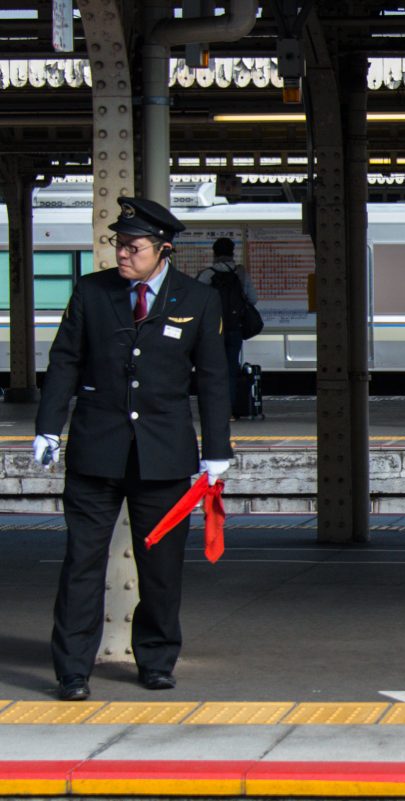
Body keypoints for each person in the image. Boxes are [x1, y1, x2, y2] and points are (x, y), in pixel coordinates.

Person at [33, 197, 232, 701]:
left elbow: (211, 378)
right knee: (82, 562)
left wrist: (217, 451)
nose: (122, 254)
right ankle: (72, 669)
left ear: (162, 250)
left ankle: (157, 658)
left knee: (162, 567)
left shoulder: (196, 299)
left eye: (133, 247)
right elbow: (64, 363)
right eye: (118, 245)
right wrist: (48, 427)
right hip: (96, 453)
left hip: (163, 456)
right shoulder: (91, 292)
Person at [197, 237, 257, 413]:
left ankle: (213, 408)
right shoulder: (241, 274)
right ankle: (230, 409)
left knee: (211, 369)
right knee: (231, 368)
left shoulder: (206, 275)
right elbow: (253, 299)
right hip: (234, 328)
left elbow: (195, 301)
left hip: (211, 330)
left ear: (214, 253)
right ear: (232, 253)